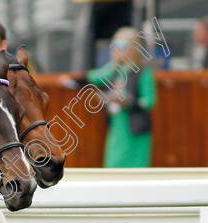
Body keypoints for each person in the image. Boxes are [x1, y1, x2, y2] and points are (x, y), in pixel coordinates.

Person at [63, 27, 156, 168]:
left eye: (123, 46)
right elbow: (92, 77)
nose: (118, 50)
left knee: (136, 167)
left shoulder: (143, 73)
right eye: (116, 46)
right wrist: (71, 81)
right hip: (117, 125)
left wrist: (128, 101)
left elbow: (149, 101)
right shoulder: (113, 70)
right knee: (114, 163)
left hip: (135, 129)